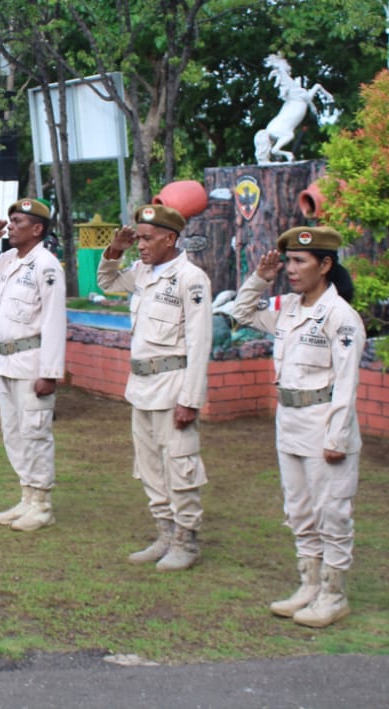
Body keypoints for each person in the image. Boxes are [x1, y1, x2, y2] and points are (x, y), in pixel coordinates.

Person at [231, 226, 365, 628]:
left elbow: (347, 383)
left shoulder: (340, 316)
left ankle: (333, 593)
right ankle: (308, 585)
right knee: (300, 511)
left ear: (325, 265)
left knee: (332, 514)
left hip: (323, 426)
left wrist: (338, 437)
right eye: (287, 260)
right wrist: (260, 277)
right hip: (289, 424)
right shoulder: (289, 307)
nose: (290, 269)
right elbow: (241, 313)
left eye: (299, 261)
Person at [97, 203, 213, 571]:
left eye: (147, 239)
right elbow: (108, 283)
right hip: (142, 386)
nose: (141, 245)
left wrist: (190, 399)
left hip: (173, 385)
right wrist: (115, 251)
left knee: (179, 464)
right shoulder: (143, 272)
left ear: (170, 238)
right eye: (138, 238)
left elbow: (199, 341)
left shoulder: (190, 278)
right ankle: (164, 532)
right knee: (149, 466)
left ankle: (186, 540)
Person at [0, 198, 67, 532]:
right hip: (5, 360)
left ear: (37, 229)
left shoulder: (46, 265)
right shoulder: (9, 259)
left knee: (35, 432)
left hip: (32, 362)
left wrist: (50, 373)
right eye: (10, 220)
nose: (10, 226)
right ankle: (26, 496)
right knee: (13, 432)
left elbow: (54, 322)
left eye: (18, 221)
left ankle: (41, 503)